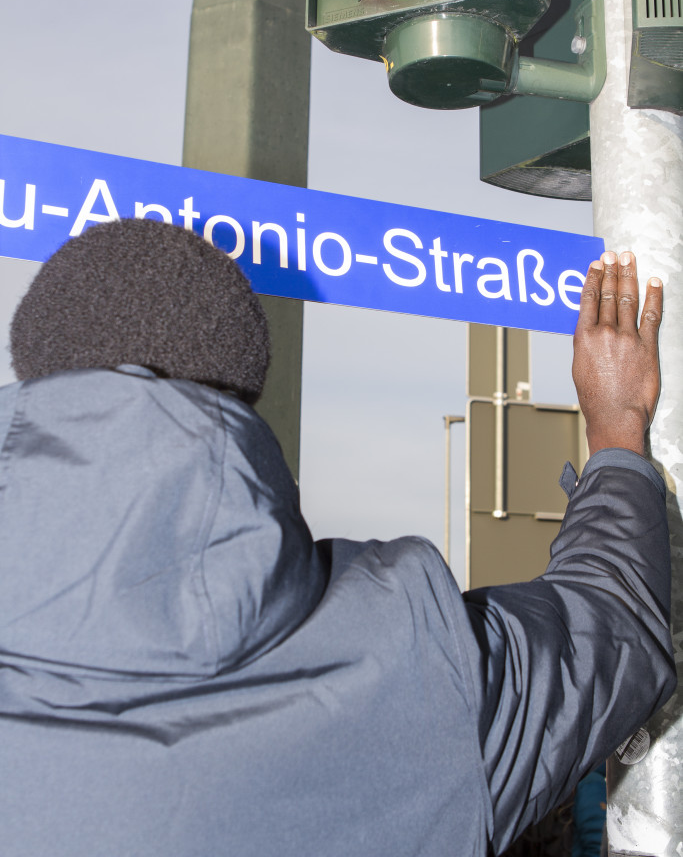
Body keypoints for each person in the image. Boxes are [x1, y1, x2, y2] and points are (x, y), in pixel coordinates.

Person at [0, 219, 675, 857]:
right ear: (242, 392)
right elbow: (613, 630)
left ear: (33, 368)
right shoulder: (412, 664)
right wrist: (616, 428)